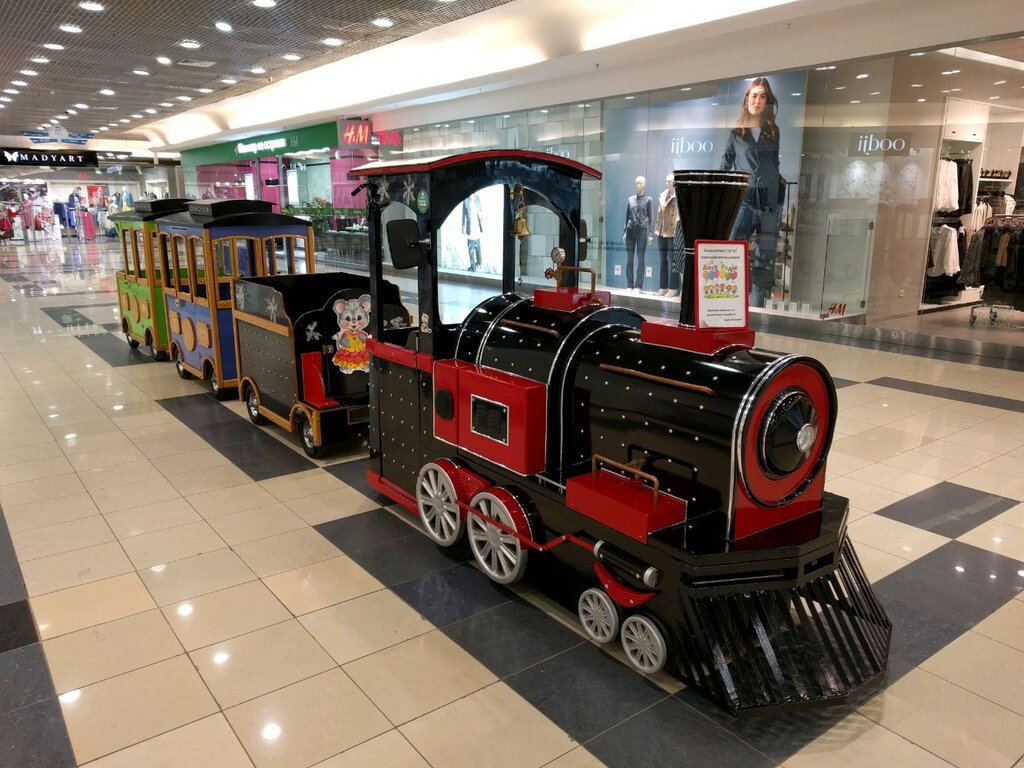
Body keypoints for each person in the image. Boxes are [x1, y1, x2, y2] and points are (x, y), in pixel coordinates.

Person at [720, 76, 782, 308]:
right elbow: (724, 167)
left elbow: (774, 165)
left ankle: (757, 311)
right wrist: (725, 202)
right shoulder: (737, 134)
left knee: (765, 261)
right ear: (747, 99)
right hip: (744, 202)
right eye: (754, 95)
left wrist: (776, 200)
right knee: (732, 255)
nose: (757, 101)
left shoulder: (773, 132)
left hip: (769, 204)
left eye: (762, 96)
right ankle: (730, 309)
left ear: (767, 101)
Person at [622, 175, 654, 293]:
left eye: (640, 183)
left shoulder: (648, 200)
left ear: (644, 184)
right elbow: (626, 217)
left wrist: (650, 234)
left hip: (642, 231)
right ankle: (629, 285)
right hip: (630, 230)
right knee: (629, 258)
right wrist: (625, 232)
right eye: (636, 183)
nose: (637, 185)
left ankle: (638, 286)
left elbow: (651, 218)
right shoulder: (630, 199)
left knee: (641, 258)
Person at [654, 173, 680, 297]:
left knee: (673, 260)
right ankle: (663, 286)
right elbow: (659, 214)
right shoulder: (663, 195)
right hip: (661, 230)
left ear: (674, 183)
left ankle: (673, 287)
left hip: (672, 231)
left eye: (669, 181)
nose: (667, 183)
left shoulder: (677, 196)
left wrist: (677, 228)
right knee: (663, 259)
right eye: (666, 181)